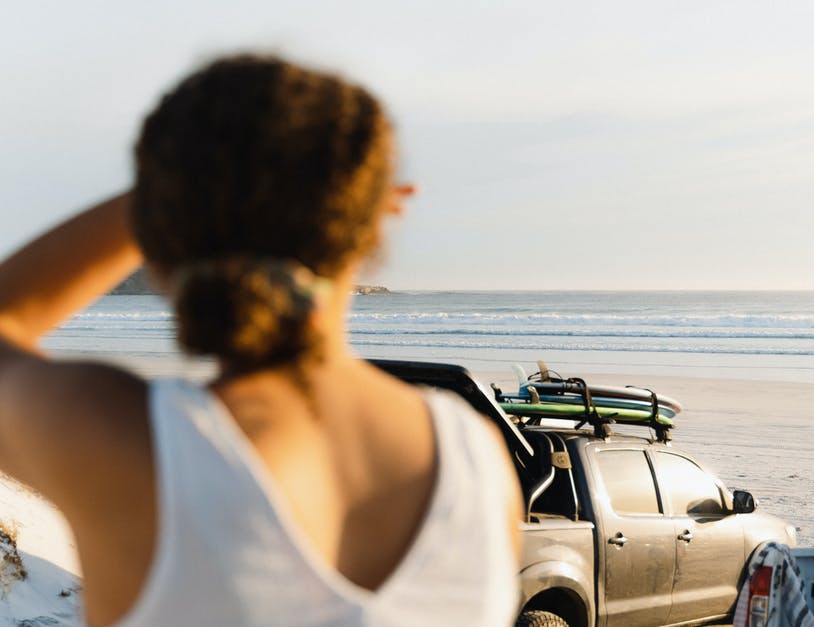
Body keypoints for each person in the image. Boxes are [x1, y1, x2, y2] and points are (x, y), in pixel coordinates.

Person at [0, 55, 521, 626]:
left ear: (165, 228)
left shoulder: (128, 443)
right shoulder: (477, 469)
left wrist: (174, 191)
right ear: (374, 219)